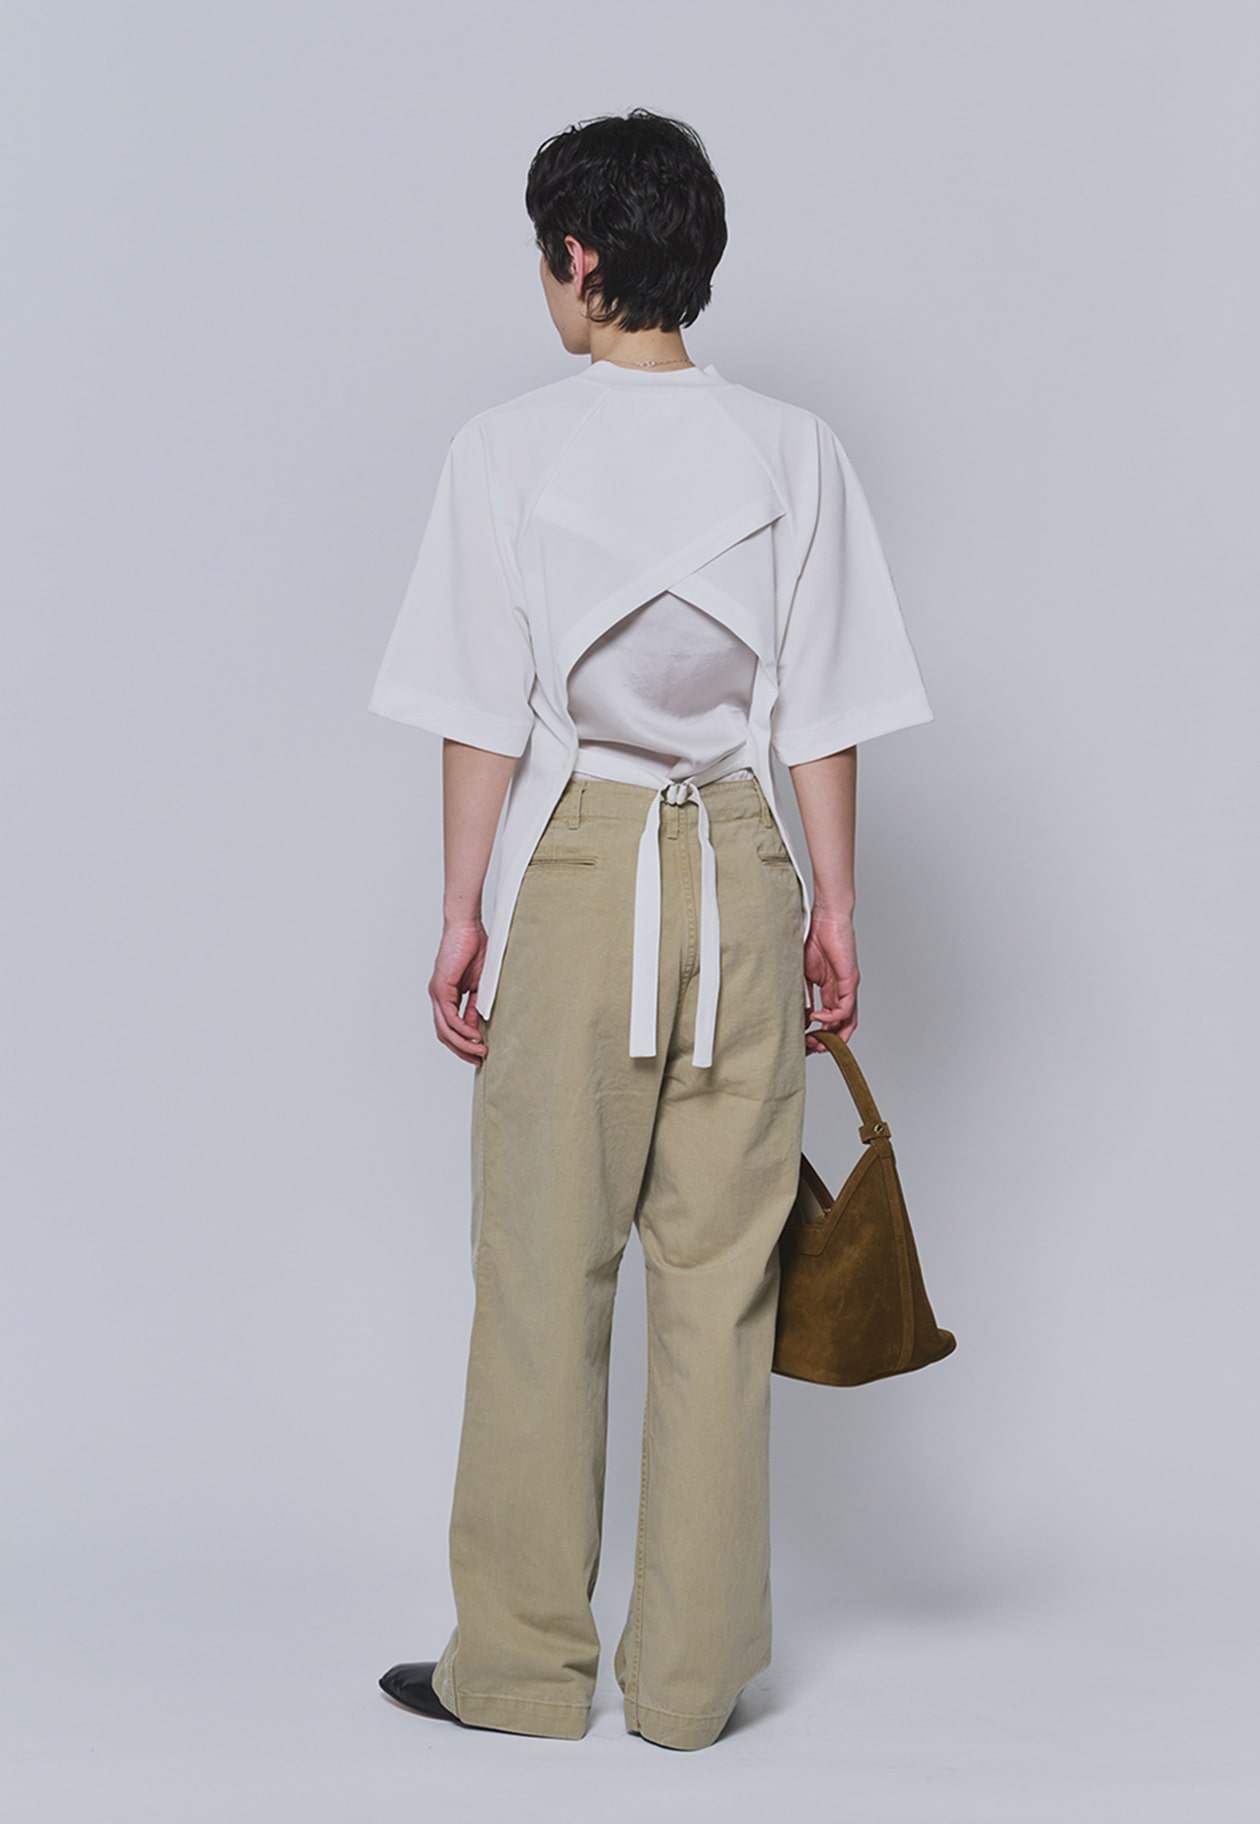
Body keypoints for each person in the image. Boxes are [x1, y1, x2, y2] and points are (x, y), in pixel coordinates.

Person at [369, 109, 933, 1751]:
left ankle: (518, 1670)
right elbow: (824, 708)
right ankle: (688, 1689)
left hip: (579, 870)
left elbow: (482, 708)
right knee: (721, 1279)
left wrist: (460, 912)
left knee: (542, 1272)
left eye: (544, 258)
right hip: (746, 868)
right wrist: (834, 908)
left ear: (580, 258)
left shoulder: (508, 451)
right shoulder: (793, 448)